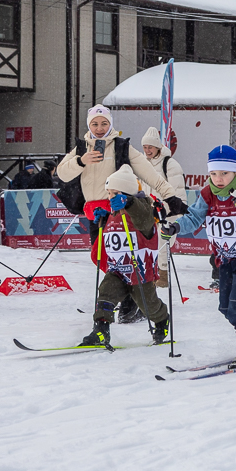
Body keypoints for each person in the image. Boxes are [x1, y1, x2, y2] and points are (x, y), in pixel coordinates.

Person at [58, 105, 189, 324]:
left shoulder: (121, 146)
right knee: (102, 258)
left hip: (120, 213)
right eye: (95, 124)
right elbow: (62, 173)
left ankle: (131, 301)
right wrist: (82, 161)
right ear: (89, 126)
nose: (99, 128)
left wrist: (170, 196)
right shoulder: (81, 147)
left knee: (123, 260)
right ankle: (125, 296)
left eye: (104, 123)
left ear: (111, 124)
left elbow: (149, 174)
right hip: (95, 213)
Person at [161, 145, 236, 365]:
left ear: (235, 171)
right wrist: (175, 227)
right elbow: (194, 217)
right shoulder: (207, 194)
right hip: (225, 257)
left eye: (224, 173)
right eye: (213, 173)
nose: (218, 179)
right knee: (225, 307)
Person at [81, 166, 169, 347]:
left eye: (115, 193)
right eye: (109, 193)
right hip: (118, 268)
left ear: (128, 193)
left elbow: (144, 220)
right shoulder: (115, 211)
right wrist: (105, 219)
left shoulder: (142, 208)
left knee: (148, 305)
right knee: (106, 292)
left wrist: (129, 203)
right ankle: (101, 330)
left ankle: (161, 320)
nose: (110, 197)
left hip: (139, 269)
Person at [141, 127, 188, 288]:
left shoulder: (170, 164)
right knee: (147, 244)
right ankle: (150, 273)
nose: (147, 150)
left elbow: (177, 191)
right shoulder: (142, 164)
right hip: (149, 212)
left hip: (167, 213)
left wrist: (169, 211)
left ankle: (163, 275)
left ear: (158, 147)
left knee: (162, 244)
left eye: (150, 147)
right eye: (145, 147)